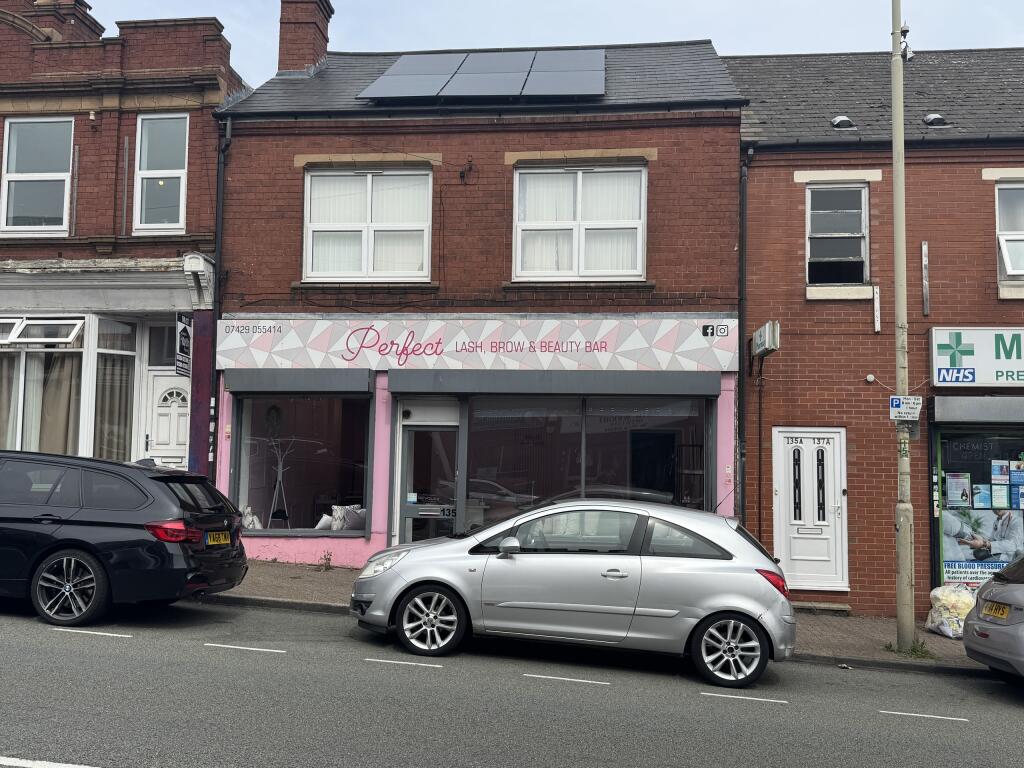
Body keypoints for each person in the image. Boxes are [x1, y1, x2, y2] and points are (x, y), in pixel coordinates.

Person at [958, 508, 1024, 563]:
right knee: (977, 553)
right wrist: (979, 541)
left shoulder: (1017, 521)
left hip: (1010, 555)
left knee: (978, 563)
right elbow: (993, 539)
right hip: (998, 552)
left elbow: (1012, 545)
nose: (998, 508)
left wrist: (987, 544)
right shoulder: (997, 521)